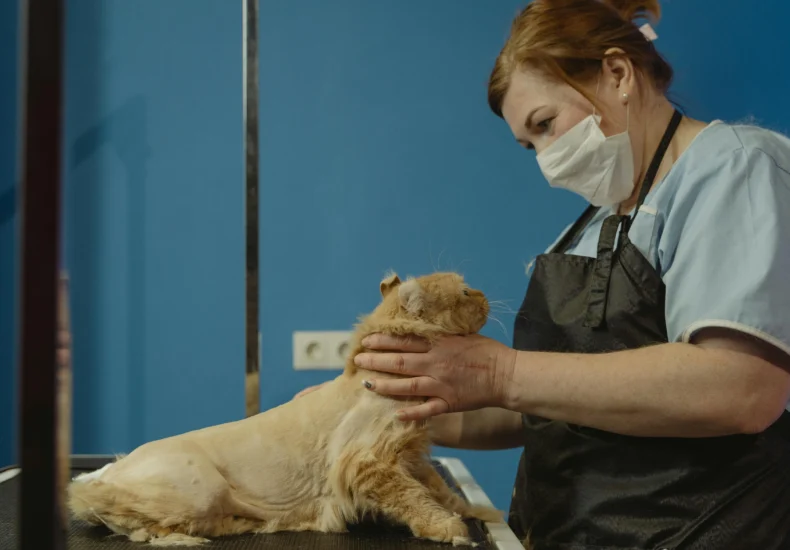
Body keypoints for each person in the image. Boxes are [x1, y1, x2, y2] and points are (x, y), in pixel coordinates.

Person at [296, 0, 790, 548]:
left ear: (619, 73)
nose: (546, 161)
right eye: (529, 145)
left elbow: (741, 388)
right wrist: (398, 407)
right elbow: (549, 408)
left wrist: (501, 374)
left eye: (546, 125)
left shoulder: (736, 168)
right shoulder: (596, 224)